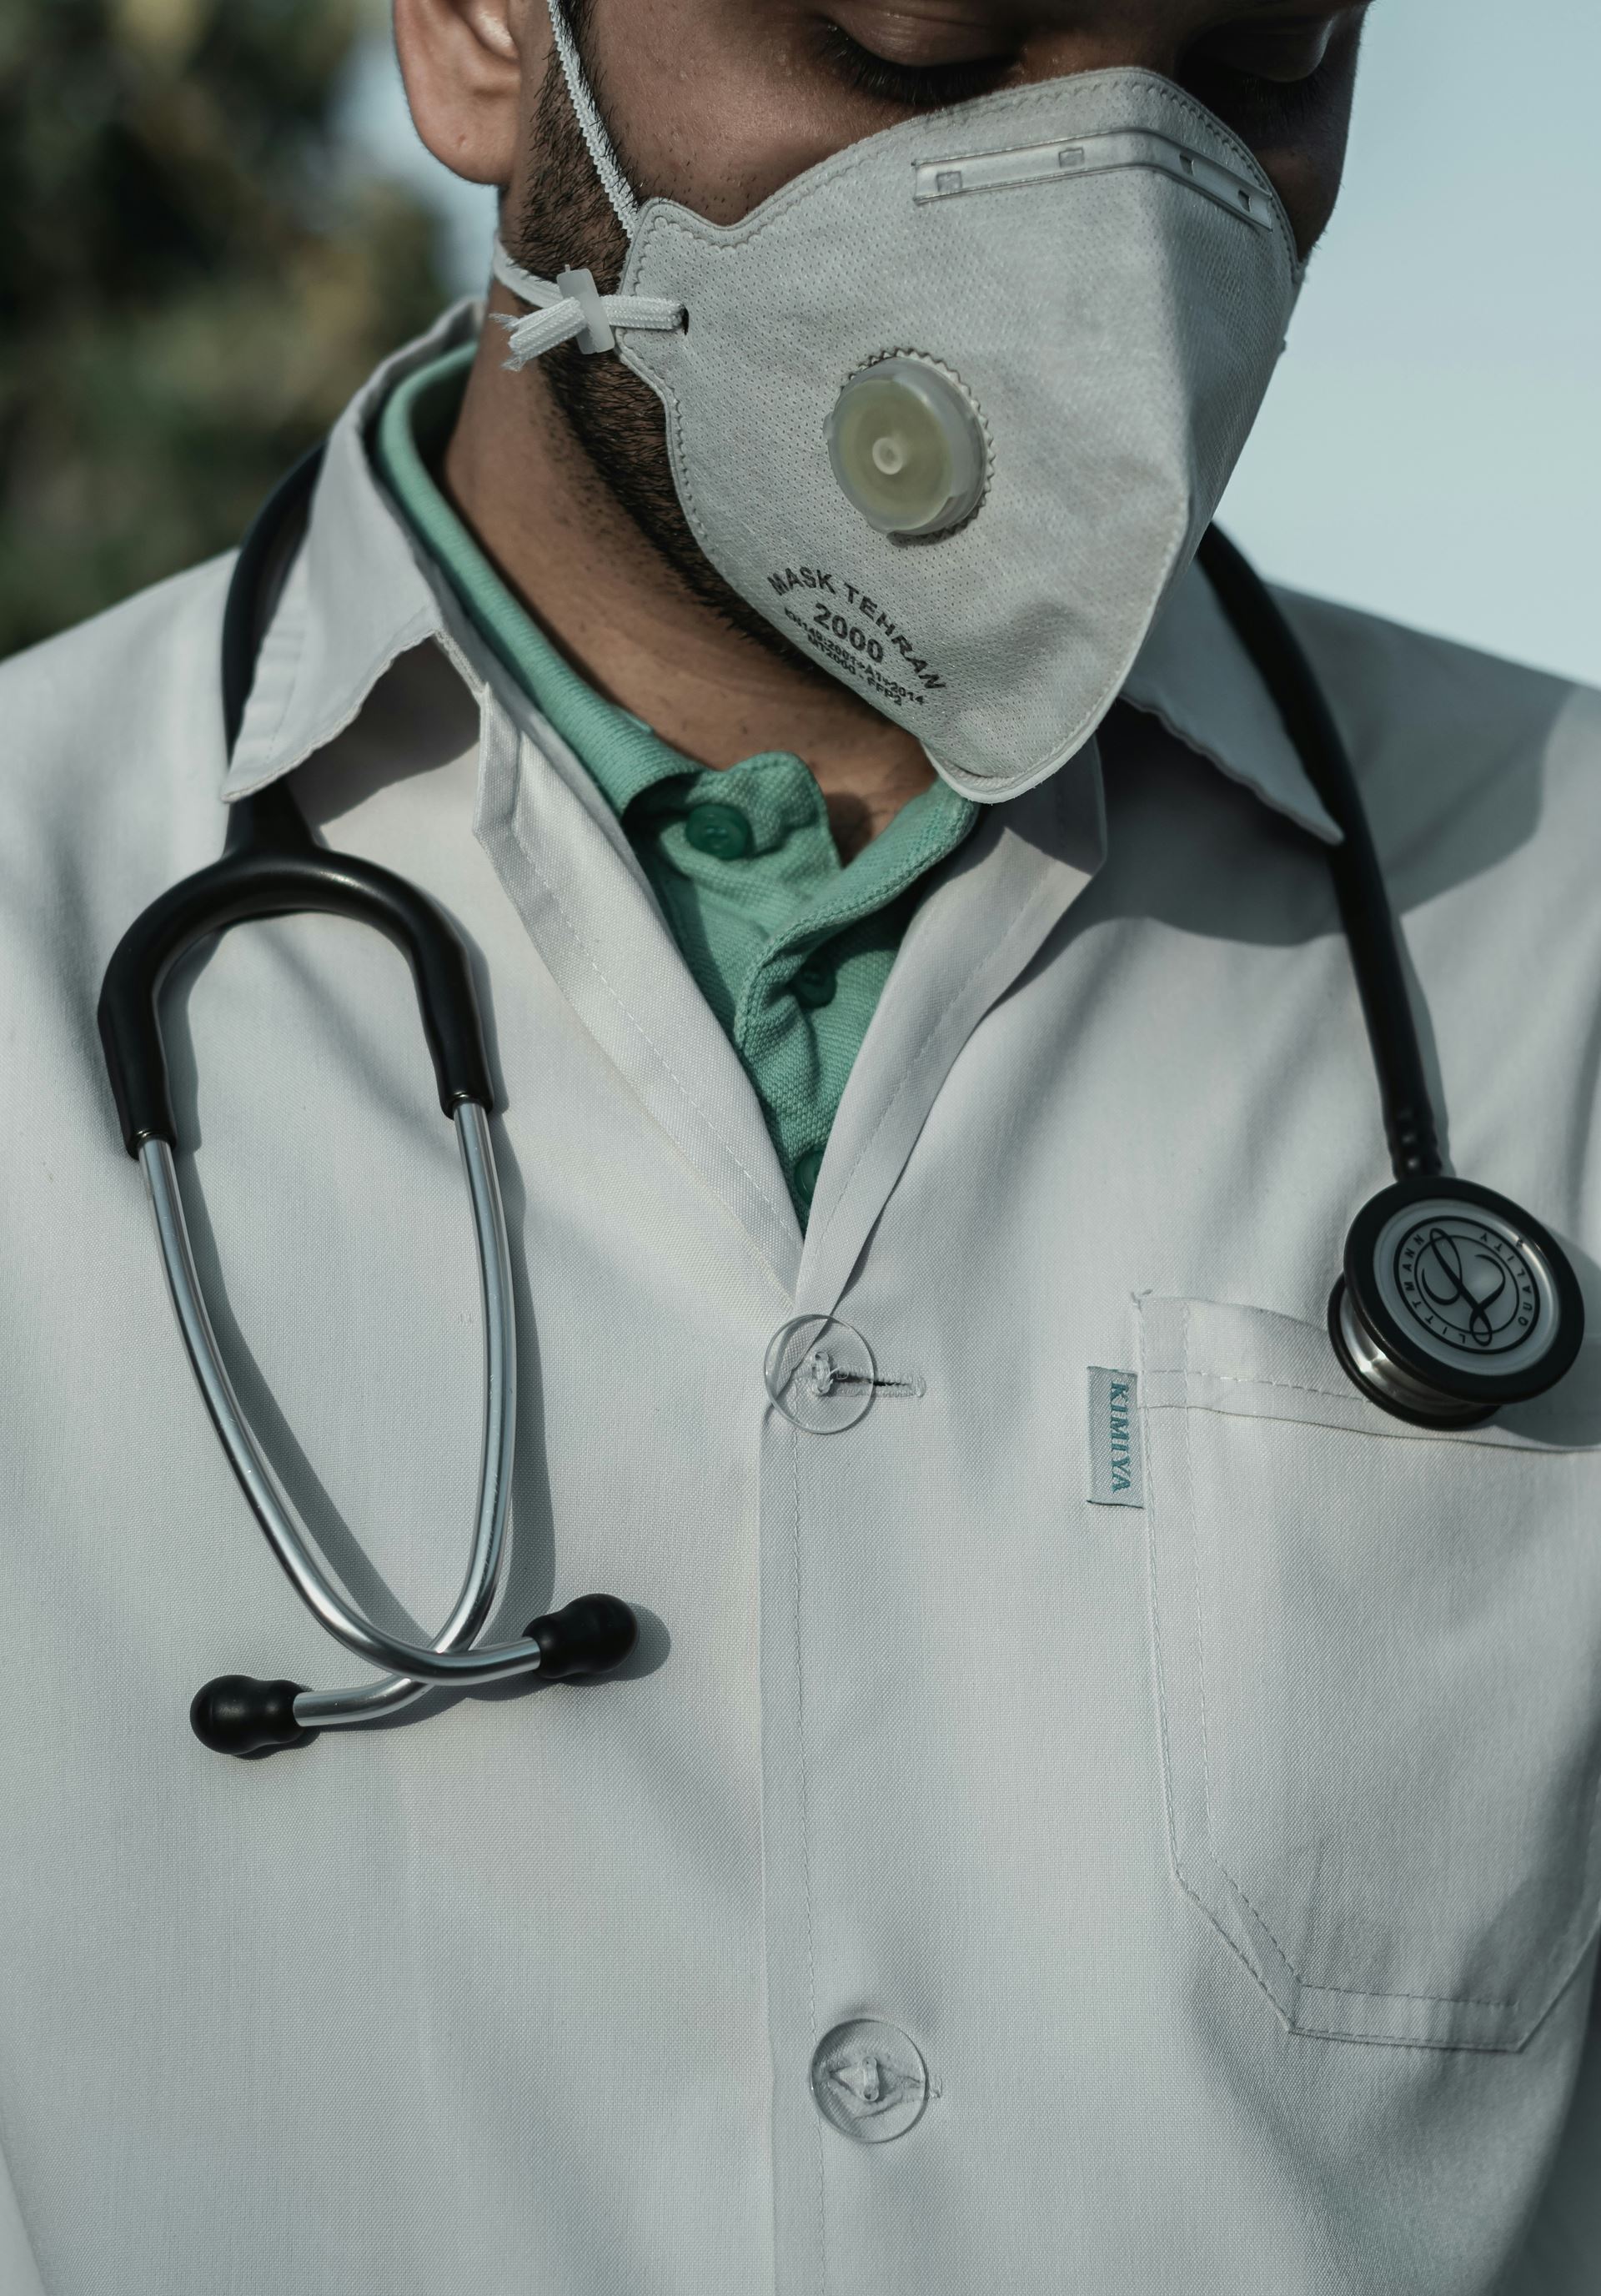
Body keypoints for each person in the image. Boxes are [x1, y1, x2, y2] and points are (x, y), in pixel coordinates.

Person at [1, 2, 1598, 2289]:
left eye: (1253, 61)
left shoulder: (1563, 928)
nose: (1112, 225)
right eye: (917, 41)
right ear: (474, 37)